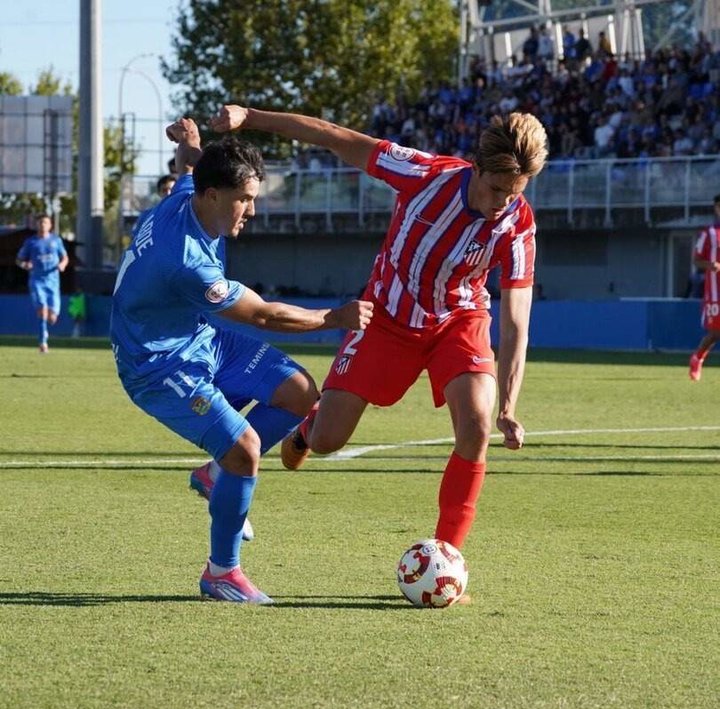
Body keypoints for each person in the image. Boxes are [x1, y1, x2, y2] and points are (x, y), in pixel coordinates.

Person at [209, 105, 548, 600]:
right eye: (496, 188)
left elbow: (517, 314)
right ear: (475, 167)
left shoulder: (517, 223)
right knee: (328, 439)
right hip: (384, 317)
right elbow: (333, 136)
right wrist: (251, 117)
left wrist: (511, 405)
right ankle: (306, 431)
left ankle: (447, 563)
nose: (502, 202)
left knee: (476, 424)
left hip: (458, 320)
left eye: (514, 192)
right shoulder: (424, 175)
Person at [110, 117, 372, 603]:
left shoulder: (189, 195)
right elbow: (265, 316)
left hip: (197, 338)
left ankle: (215, 476)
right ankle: (221, 573)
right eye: (243, 200)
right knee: (246, 449)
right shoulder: (187, 262)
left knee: (299, 393)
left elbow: (191, 167)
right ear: (212, 196)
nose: (252, 210)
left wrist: (191, 144)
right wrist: (334, 317)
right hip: (159, 367)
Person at [16, 213, 69, 352]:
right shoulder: (31, 242)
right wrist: (24, 265)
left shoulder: (56, 241)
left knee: (52, 318)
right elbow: (19, 259)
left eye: (45, 222)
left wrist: (62, 264)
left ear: (50, 225)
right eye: (40, 222)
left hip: (53, 282)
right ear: (36, 225)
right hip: (37, 280)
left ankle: (45, 331)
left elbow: (65, 257)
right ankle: (43, 342)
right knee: (42, 310)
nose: (42, 225)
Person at [689, 193, 720, 381]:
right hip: (716, 290)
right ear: (716, 208)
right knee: (716, 332)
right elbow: (696, 260)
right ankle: (697, 358)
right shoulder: (708, 233)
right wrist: (711, 266)